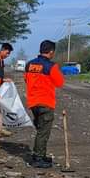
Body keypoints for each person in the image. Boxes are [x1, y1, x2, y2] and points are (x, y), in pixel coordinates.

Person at [24, 40, 65, 168]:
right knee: (43, 131)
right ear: (51, 52)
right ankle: (38, 158)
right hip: (46, 102)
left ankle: (41, 154)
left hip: (33, 102)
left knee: (41, 129)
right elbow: (59, 83)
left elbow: (26, 79)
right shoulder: (51, 66)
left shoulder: (29, 65)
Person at [0, 43, 14, 138]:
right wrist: (2, 80)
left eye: (9, 54)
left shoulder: (1, 61)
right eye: (7, 53)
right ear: (2, 50)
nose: (8, 55)